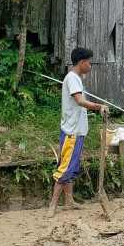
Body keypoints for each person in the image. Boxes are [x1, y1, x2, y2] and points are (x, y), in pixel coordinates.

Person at [47, 47, 107, 218]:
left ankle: (69, 200)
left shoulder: (76, 78)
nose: (90, 66)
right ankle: (52, 205)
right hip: (71, 131)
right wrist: (99, 107)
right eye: (89, 63)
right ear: (82, 62)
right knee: (65, 168)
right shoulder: (72, 78)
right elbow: (80, 101)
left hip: (77, 130)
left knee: (71, 167)